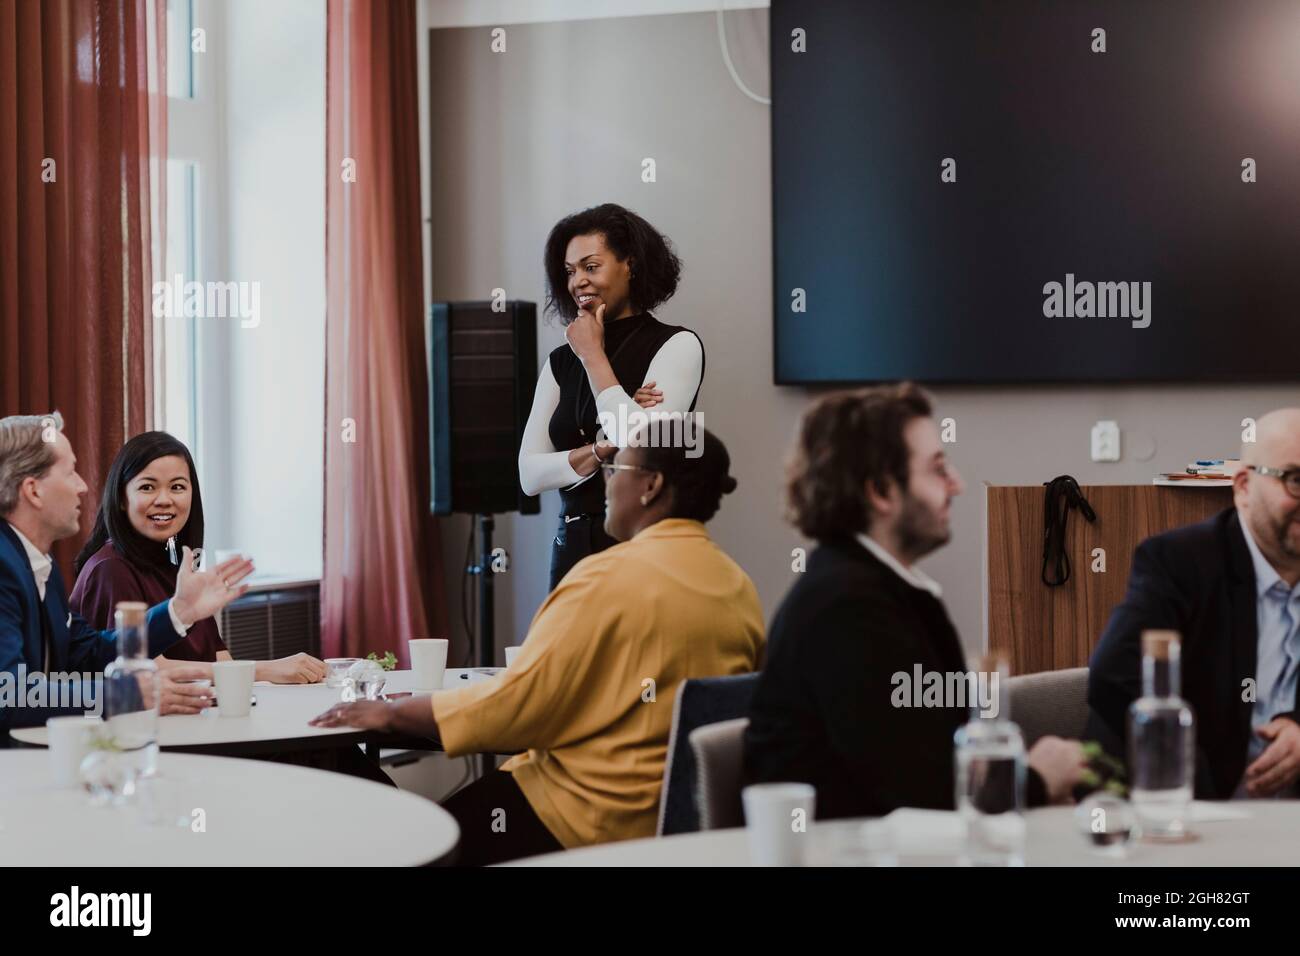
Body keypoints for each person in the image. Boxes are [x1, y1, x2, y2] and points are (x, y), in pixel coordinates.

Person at [313, 417, 763, 864]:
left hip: (577, 815)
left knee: (413, 843)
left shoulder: (604, 575)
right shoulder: (739, 588)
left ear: (650, 486)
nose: (605, 485)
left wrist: (391, 713)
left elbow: (519, 707)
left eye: (615, 469)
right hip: (679, 830)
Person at [743, 385, 1086, 818]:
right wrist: (1035, 779)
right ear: (882, 491)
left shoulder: (875, 587)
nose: (957, 485)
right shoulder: (846, 610)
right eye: (938, 470)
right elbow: (927, 797)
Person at [1088, 408, 1300, 799]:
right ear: (1243, 486)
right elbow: (1113, 676)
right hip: (1184, 806)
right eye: (1295, 481)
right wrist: (1190, 785)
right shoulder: (1179, 561)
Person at [0, 413, 253, 739]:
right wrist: (124, 695)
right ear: (33, 491)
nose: (84, 486)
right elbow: (8, 693)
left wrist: (179, 613)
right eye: (71, 472)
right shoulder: (6, 567)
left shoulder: (37, 563)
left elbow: (89, 653)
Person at [519, 203, 705, 590]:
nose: (578, 282)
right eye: (570, 272)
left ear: (630, 266)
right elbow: (529, 475)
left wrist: (593, 356)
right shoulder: (559, 361)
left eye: (591, 266)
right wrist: (603, 447)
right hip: (571, 547)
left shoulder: (677, 345)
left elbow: (642, 443)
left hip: (641, 545)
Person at [69, 431, 325, 694]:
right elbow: (146, 669)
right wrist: (267, 669)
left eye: (177, 486)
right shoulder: (110, 568)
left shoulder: (176, 566)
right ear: (122, 498)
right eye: (148, 487)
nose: (164, 499)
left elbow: (220, 659)